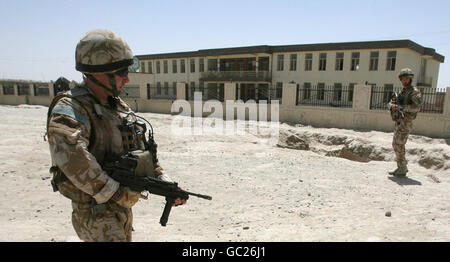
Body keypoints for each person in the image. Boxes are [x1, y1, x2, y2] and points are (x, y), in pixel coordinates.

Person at [46, 29, 185, 242]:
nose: (127, 78)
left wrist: (165, 183)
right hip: (95, 214)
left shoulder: (117, 107)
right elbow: (71, 157)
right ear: (99, 71)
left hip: (119, 211)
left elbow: (142, 154)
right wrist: (116, 193)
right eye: (121, 72)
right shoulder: (72, 107)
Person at [388, 68, 422, 177]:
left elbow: (416, 107)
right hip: (399, 121)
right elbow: (392, 103)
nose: (405, 81)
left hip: (406, 122)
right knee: (395, 144)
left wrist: (402, 107)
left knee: (399, 144)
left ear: (410, 79)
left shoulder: (414, 91)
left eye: (407, 78)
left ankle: (402, 167)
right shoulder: (402, 92)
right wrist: (392, 105)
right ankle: (401, 167)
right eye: (403, 79)